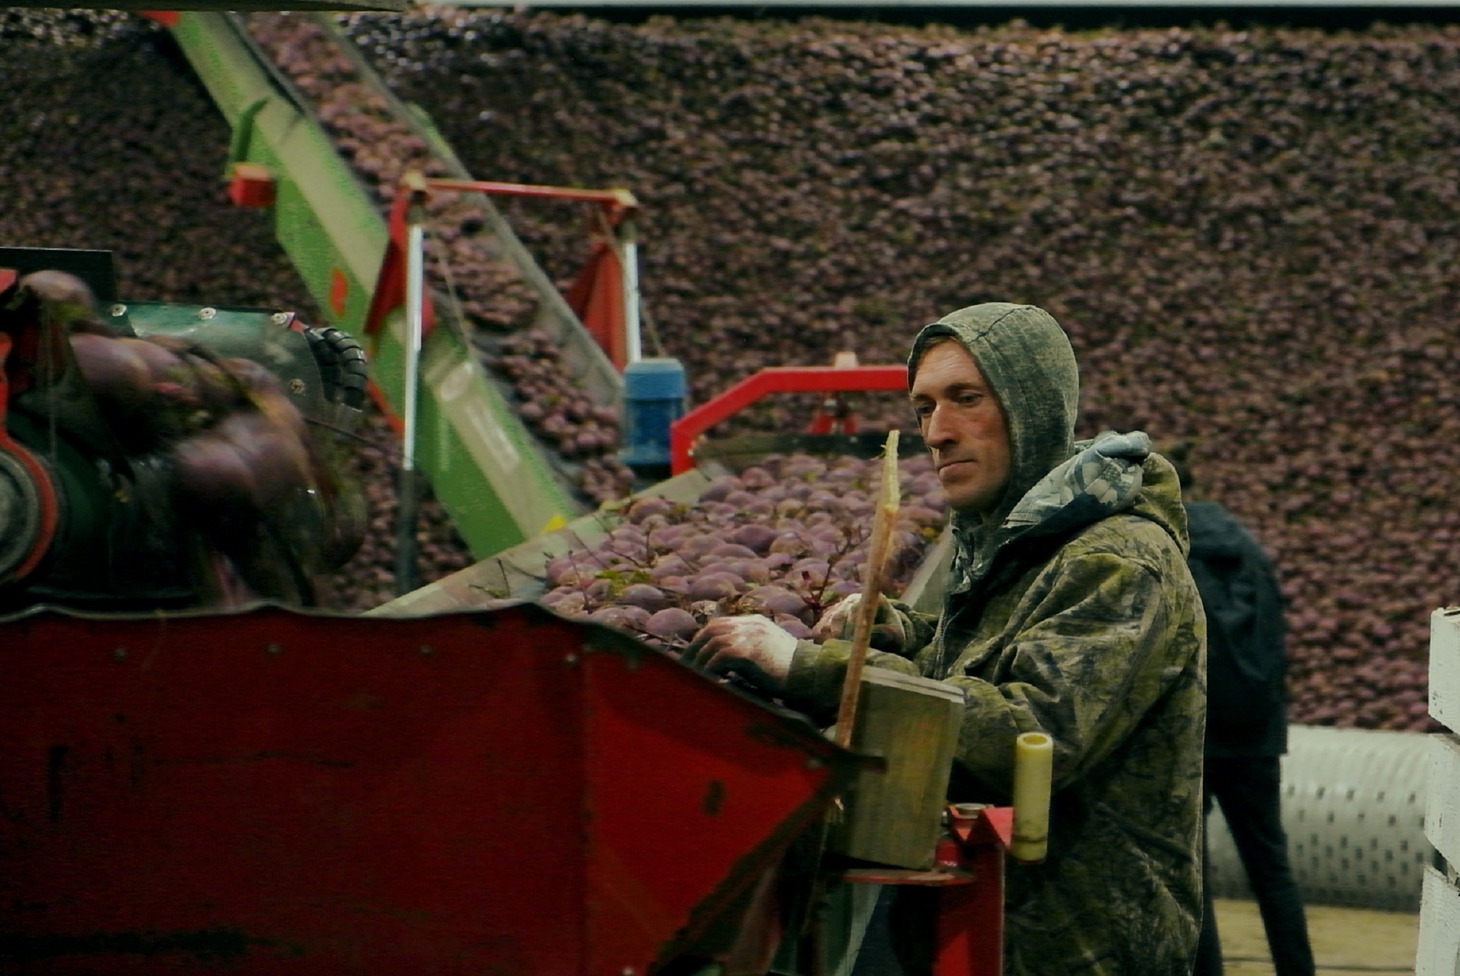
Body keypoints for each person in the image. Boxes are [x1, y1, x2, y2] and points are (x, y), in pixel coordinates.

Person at [684, 302, 1207, 974]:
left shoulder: (1116, 561)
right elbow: (987, 659)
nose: (936, 433)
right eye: (924, 408)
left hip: (1076, 940)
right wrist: (902, 633)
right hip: (1000, 916)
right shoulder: (1017, 536)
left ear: (1033, 409)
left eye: (966, 399)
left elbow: (1028, 734)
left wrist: (810, 669)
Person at [1171, 445, 1315, 976]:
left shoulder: (1169, 548)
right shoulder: (1248, 547)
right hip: (1258, 733)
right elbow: (1276, 637)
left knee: (1195, 871)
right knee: (1271, 869)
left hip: (1196, 735)